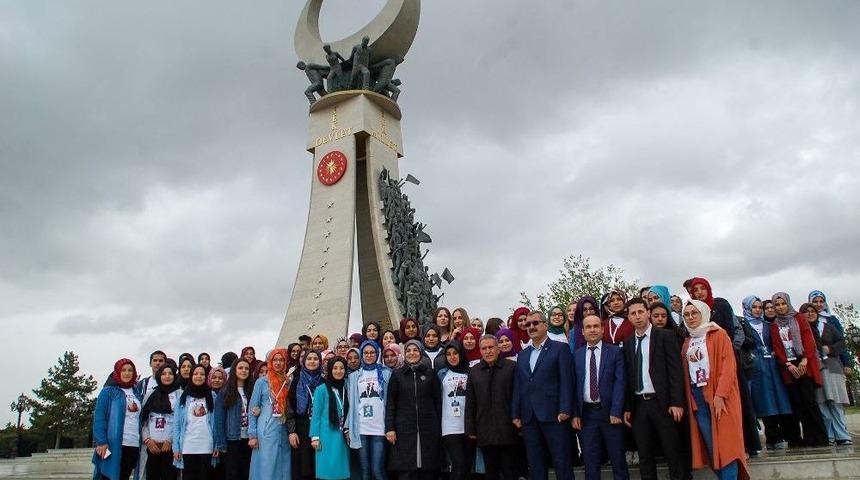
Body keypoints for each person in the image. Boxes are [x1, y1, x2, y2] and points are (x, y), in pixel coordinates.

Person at [686, 277, 761, 455]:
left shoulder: (720, 305)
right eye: (695, 290)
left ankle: (748, 446)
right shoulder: (693, 311)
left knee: (738, 403)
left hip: (726, 358)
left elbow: (733, 330)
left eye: (702, 288)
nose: (699, 293)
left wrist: (726, 350)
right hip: (704, 366)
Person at [681, 300, 751, 480]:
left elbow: (729, 367)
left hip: (720, 395)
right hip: (698, 396)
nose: (690, 317)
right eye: (687, 314)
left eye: (694, 313)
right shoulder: (687, 341)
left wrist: (720, 395)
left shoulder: (719, 334)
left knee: (727, 446)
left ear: (703, 313)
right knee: (712, 447)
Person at [622, 298, 688, 480]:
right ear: (628, 317)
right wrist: (628, 407)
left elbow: (675, 372)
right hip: (639, 406)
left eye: (640, 312)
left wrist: (676, 402)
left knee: (672, 452)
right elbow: (628, 378)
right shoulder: (628, 344)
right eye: (633, 313)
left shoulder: (665, 336)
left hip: (663, 404)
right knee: (645, 455)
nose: (637, 317)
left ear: (648, 313)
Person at [511, 310, 574, 480]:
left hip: (554, 416)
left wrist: (565, 408)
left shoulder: (560, 349)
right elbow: (519, 386)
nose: (531, 326)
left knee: (562, 462)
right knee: (536, 465)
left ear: (545, 325)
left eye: (535, 323)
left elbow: (567, 381)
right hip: (529, 418)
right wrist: (515, 413)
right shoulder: (522, 355)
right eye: (528, 324)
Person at [571, 315, 628, 480]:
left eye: (596, 326)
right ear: (582, 332)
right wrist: (575, 414)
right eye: (588, 327)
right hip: (586, 416)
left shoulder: (616, 352)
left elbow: (620, 382)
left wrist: (616, 410)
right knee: (591, 463)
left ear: (602, 329)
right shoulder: (577, 355)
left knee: (618, 460)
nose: (593, 330)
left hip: (610, 414)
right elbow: (573, 387)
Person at [769, 292, 828, 447]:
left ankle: (821, 437)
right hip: (789, 367)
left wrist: (804, 360)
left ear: (788, 303)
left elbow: (809, 340)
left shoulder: (799, 318)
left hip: (804, 364)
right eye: (777, 305)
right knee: (798, 404)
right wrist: (788, 365)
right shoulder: (775, 325)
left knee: (810, 402)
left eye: (783, 304)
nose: (781, 307)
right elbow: (777, 346)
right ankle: (807, 438)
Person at [741, 296, 795, 449]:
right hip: (756, 365)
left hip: (771, 364)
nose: (758, 310)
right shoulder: (744, 324)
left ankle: (783, 433)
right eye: (754, 307)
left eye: (760, 307)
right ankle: (772, 436)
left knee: (778, 398)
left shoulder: (768, 325)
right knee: (763, 400)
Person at [385, 340, 442, 480]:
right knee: (406, 471)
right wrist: (390, 428)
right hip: (404, 429)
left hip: (428, 428)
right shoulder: (397, 375)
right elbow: (391, 403)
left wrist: (439, 426)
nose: (412, 353)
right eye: (408, 351)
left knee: (427, 471)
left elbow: (438, 402)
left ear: (421, 352)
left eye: (415, 350)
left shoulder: (430, 374)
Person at [466, 335, 519, 480]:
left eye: (491, 347)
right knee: (490, 471)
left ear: (498, 348)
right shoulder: (474, 372)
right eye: (484, 348)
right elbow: (471, 402)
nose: (488, 351)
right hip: (485, 432)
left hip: (508, 430)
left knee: (510, 471)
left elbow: (518, 396)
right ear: (480, 351)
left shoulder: (511, 368)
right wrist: (470, 429)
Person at [801, 302, 853, 445]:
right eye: (806, 311)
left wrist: (830, 349)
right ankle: (828, 435)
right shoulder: (800, 331)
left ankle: (842, 435)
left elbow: (841, 341)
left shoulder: (827, 326)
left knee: (835, 402)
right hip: (814, 369)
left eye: (812, 311)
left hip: (832, 367)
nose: (810, 313)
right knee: (821, 403)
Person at [346, 340, 392, 480]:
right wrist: (348, 427)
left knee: (377, 469)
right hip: (361, 429)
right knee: (365, 471)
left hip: (380, 428)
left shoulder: (386, 373)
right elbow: (351, 404)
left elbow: (391, 402)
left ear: (377, 354)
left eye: (372, 352)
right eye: (365, 353)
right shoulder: (354, 376)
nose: (369, 355)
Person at [92, 358, 142, 480]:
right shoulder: (108, 391)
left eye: (130, 370)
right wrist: (101, 441)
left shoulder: (136, 392)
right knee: (109, 476)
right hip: (113, 444)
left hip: (133, 444)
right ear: (117, 372)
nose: (127, 373)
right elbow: (99, 418)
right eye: (123, 370)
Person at [172, 364, 225, 480]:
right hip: (187, 445)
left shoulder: (212, 396)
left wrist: (217, 444)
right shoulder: (183, 397)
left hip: (207, 445)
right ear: (191, 376)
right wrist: (176, 447)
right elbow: (176, 424)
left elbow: (216, 423)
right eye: (196, 374)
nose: (199, 376)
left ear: (206, 377)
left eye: (202, 374)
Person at [248, 348, 292, 479]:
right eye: (275, 360)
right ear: (270, 362)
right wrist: (252, 435)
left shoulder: (287, 382)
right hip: (266, 430)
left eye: (281, 360)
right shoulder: (262, 382)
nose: (278, 363)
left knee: (283, 465)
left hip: (283, 429)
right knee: (266, 466)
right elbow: (252, 409)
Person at [437, 341, 473, 480]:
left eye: (455, 353)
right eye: (448, 354)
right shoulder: (442, 374)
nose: (452, 357)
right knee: (458, 464)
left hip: (468, 425)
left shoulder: (471, 372)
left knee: (468, 466)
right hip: (449, 426)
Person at [310, 357, 351, 480]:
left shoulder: (346, 388)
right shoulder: (321, 389)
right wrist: (315, 437)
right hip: (325, 435)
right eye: (335, 368)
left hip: (342, 434)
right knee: (326, 470)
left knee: (341, 469)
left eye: (342, 368)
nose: (338, 371)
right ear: (329, 370)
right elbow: (316, 415)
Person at [217, 358, 255, 480]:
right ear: (234, 370)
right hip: (232, 440)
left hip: (249, 440)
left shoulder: (252, 390)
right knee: (233, 474)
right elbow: (219, 419)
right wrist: (221, 443)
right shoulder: (225, 392)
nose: (244, 371)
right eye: (240, 368)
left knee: (247, 473)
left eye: (246, 368)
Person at [141, 365, 180, 480]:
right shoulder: (151, 395)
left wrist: (170, 440)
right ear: (159, 376)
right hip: (153, 447)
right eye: (163, 374)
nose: (167, 376)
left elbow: (180, 421)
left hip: (170, 448)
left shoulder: (179, 394)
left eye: (170, 373)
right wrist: (147, 440)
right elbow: (144, 421)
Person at [290, 350, 324, 480]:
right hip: (301, 427)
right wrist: (291, 431)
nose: (312, 361)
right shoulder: (297, 381)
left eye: (315, 359)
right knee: (303, 467)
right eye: (309, 358)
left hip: (320, 427)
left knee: (318, 465)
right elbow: (290, 407)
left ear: (320, 362)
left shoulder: (324, 382)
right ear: (304, 361)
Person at [809, 290, 855, 375]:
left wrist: (846, 363)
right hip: (814, 364)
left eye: (821, 301)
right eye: (815, 302)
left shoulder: (832, 320)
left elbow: (841, 342)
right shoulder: (806, 320)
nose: (818, 304)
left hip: (833, 361)